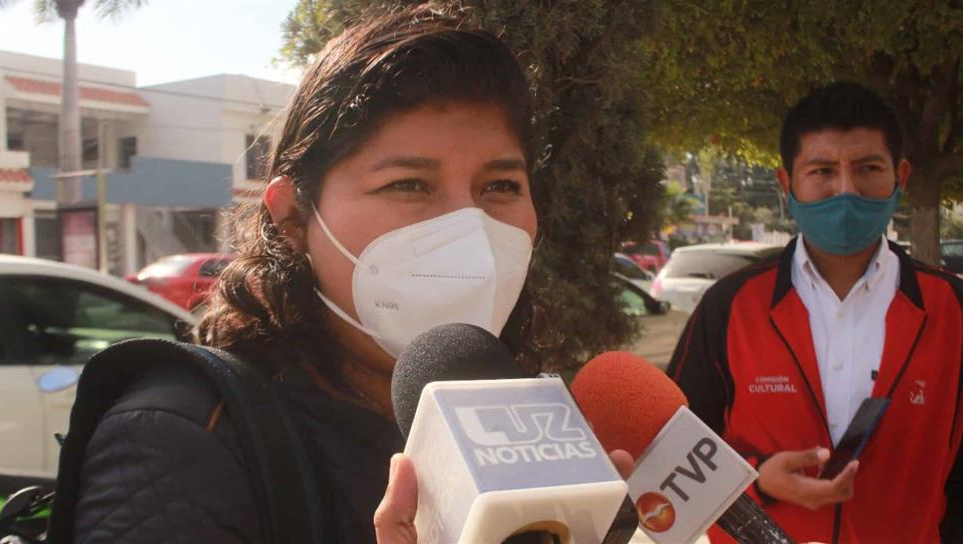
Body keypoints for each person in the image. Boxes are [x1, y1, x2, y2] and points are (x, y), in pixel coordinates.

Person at [69, 7, 581, 543]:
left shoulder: (527, 422)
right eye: (408, 184)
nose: (469, 232)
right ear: (292, 217)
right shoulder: (184, 438)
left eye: (499, 186)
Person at [667, 82, 962, 544]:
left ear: (900, 177)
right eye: (822, 170)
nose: (846, 190)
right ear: (787, 183)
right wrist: (757, 479)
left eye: (867, 168)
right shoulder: (730, 307)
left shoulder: (953, 310)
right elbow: (667, 452)